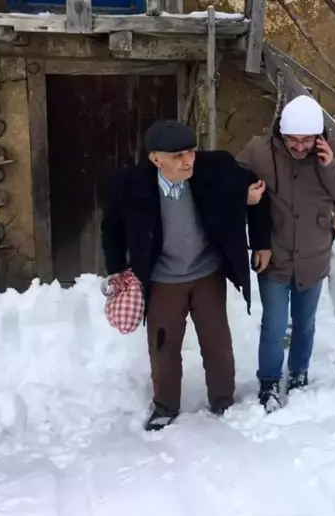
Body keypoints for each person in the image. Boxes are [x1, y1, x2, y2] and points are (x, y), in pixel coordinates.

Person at [101, 119, 271, 431]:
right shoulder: (129, 184)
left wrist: (261, 242)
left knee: (217, 342)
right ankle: (165, 407)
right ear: (156, 159)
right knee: (164, 346)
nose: (188, 160)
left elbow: (257, 191)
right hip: (163, 279)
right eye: (178, 155)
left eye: (191, 151)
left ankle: (223, 401)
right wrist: (116, 272)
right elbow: (111, 230)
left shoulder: (215, 167)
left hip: (207, 272)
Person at [237, 95, 335, 411]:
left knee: (305, 323)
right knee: (274, 325)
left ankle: (298, 373)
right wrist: (244, 194)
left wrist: (330, 165)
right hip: (274, 254)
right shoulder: (259, 150)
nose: (299, 146)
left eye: (307, 140)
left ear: (318, 136)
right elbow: (231, 180)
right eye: (293, 139)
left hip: (313, 253)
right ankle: (268, 382)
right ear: (282, 132)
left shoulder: (334, 152)